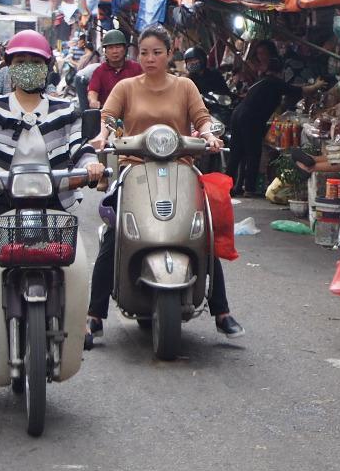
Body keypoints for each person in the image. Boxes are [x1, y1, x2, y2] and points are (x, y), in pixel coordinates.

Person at [86, 24, 243, 344]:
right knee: (114, 234)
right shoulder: (126, 87)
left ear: (170, 54)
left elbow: (201, 120)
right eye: (144, 52)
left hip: (181, 168)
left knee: (203, 230)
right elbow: (110, 118)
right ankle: (94, 315)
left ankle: (222, 310)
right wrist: (103, 135)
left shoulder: (185, 86)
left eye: (157, 52)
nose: (150, 58)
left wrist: (210, 136)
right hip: (135, 170)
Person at [0, 31, 103, 355]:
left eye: (35, 62)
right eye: (21, 62)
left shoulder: (65, 109)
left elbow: (80, 146)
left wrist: (91, 165)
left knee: (72, 260)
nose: (28, 67)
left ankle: (79, 322)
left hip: (53, 196)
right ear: (8, 66)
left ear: (47, 67)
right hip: (1, 197)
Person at [228, 55, 291, 197]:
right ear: (280, 72)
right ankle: (249, 188)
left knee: (236, 153)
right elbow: (296, 90)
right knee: (252, 153)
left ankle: (229, 187)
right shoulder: (275, 82)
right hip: (250, 118)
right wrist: (316, 86)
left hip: (238, 114)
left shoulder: (260, 81)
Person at [86, 29, 142, 109]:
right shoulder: (100, 71)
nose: (115, 51)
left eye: (118, 47)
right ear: (105, 51)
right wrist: (93, 101)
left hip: (133, 112)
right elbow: (93, 91)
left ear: (125, 49)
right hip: (108, 114)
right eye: (110, 48)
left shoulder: (136, 68)